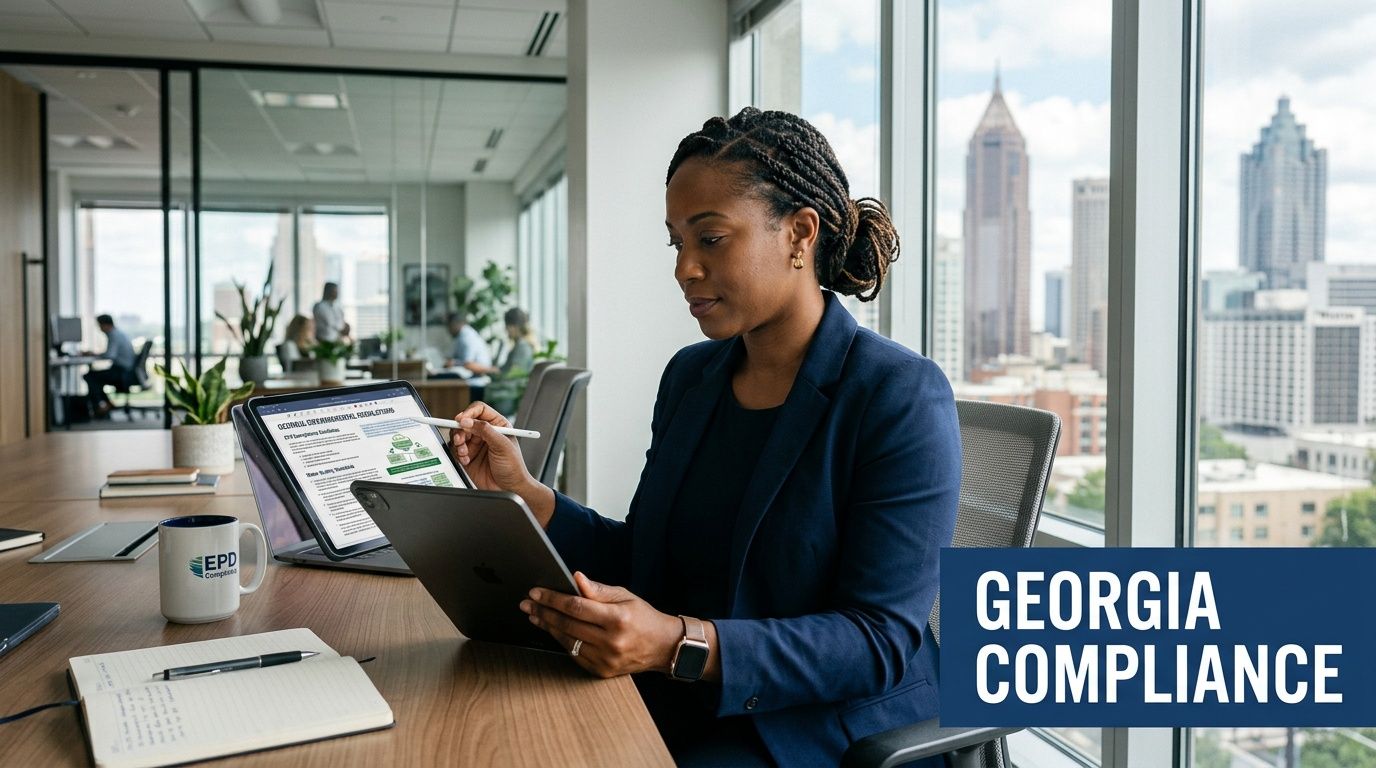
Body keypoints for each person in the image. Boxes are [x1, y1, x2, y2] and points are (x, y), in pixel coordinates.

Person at [449, 108, 960, 767]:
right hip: (680, 689)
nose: (684, 268)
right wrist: (524, 494)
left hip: (818, 729)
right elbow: (646, 558)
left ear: (799, 234)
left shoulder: (897, 394)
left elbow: (877, 641)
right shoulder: (693, 377)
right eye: (676, 243)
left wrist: (677, 645)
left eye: (711, 239)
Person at [84, 314, 138, 418]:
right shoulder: (119, 333)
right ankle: (107, 404)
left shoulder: (114, 335)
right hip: (126, 371)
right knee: (94, 377)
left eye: (100, 325)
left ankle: (102, 406)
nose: (100, 329)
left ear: (105, 325)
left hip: (122, 372)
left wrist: (94, 354)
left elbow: (110, 355)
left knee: (90, 377)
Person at [498, 307, 536, 377]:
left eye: (507, 326)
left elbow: (514, 377)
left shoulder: (523, 347)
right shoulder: (520, 345)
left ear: (515, 327)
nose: (506, 329)